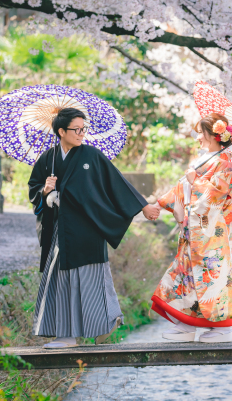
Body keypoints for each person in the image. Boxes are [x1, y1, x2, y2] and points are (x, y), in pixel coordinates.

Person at [28, 107, 161, 349]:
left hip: (88, 229)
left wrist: (142, 206)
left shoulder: (91, 155)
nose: (81, 134)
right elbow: (34, 188)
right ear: (61, 131)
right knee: (60, 279)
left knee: (91, 280)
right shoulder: (48, 158)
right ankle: (66, 335)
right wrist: (46, 193)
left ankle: (105, 323)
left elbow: (116, 183)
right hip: (60, 230)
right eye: (76, 130)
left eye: (83, 129)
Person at [147, 113, 232, 343]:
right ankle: (185, 325)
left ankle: (222, 329)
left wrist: (195, 182)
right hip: (193, 233)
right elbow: (180, 189)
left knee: (212, 280)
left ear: (214, 135)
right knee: (186, 276)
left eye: (201, 132)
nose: (198, 137)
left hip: (212, 235)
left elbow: (214, 199)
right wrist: (158, 204)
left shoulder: (228, 167)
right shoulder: (203, 162)